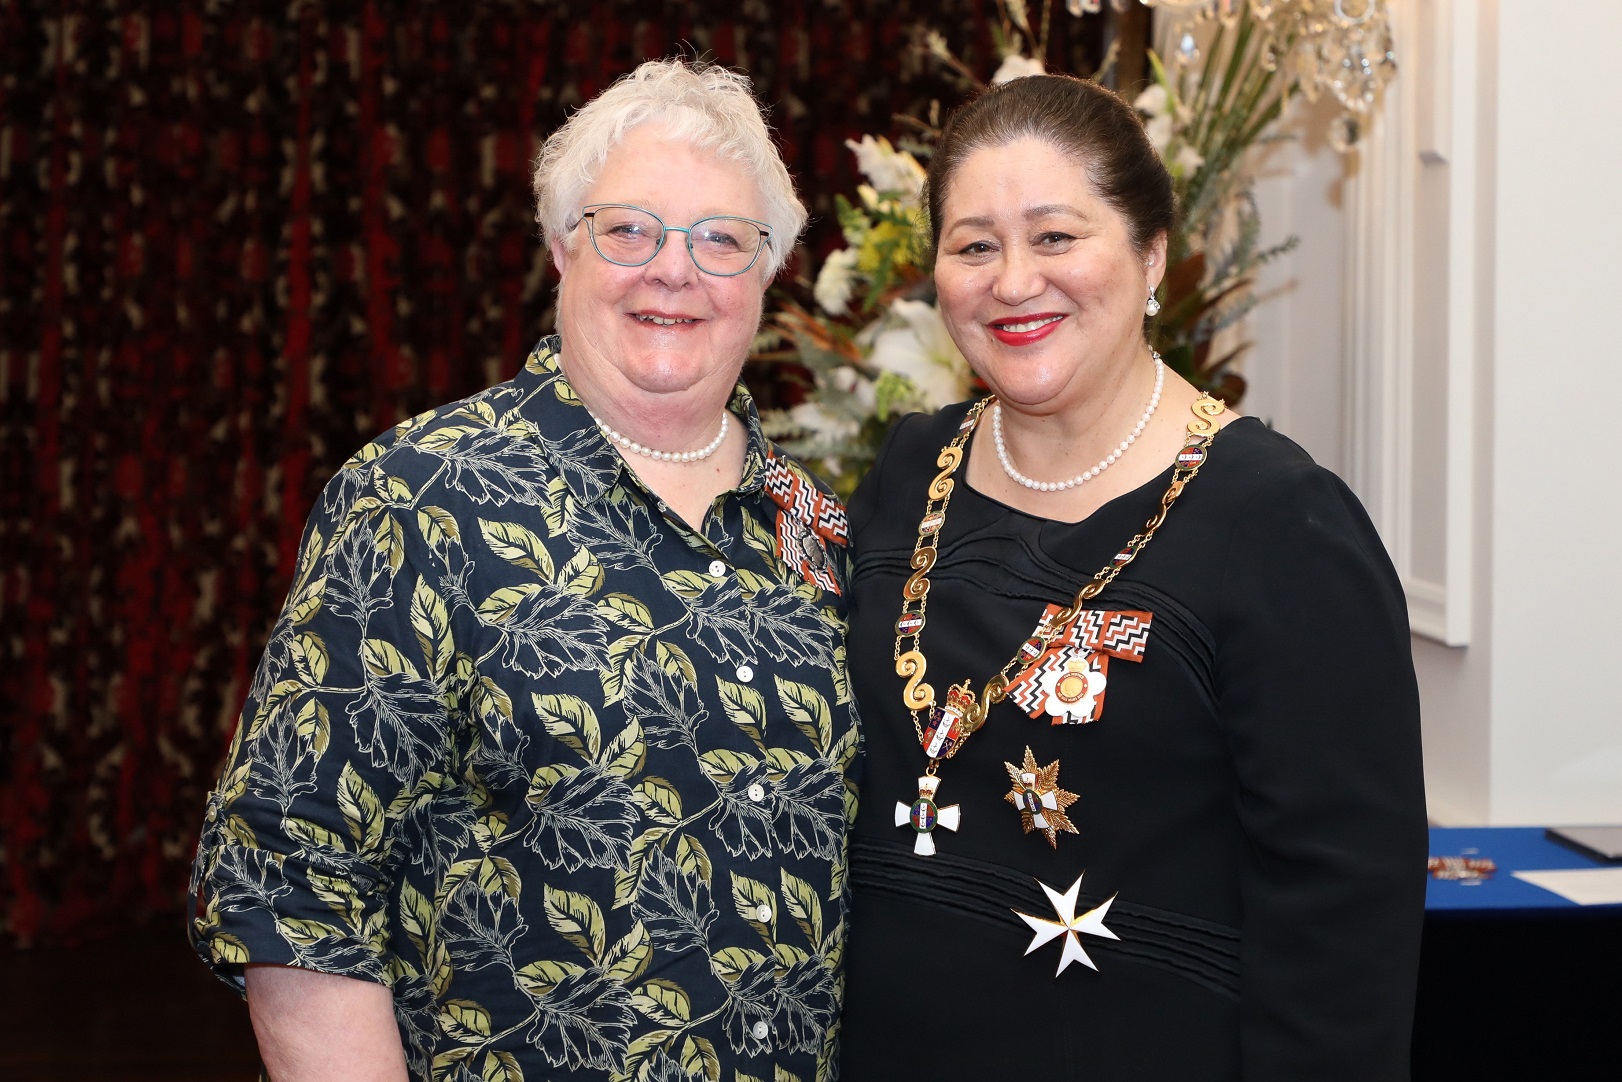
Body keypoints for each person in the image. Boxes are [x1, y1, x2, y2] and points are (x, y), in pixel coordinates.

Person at [189, 59, 861, 1082]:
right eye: (628, 229)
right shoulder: (423, 497)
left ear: (768, 272)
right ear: (562, 246)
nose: (671, 270)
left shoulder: (816, 530)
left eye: (719, 239)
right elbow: (291, 871)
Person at [838, 74, 1425, 1080]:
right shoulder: (906, 472)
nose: (1013, 280)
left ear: (1151, 254)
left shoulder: (1279, 523)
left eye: (1056, 237)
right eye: (973, 244)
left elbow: (1341, 931)